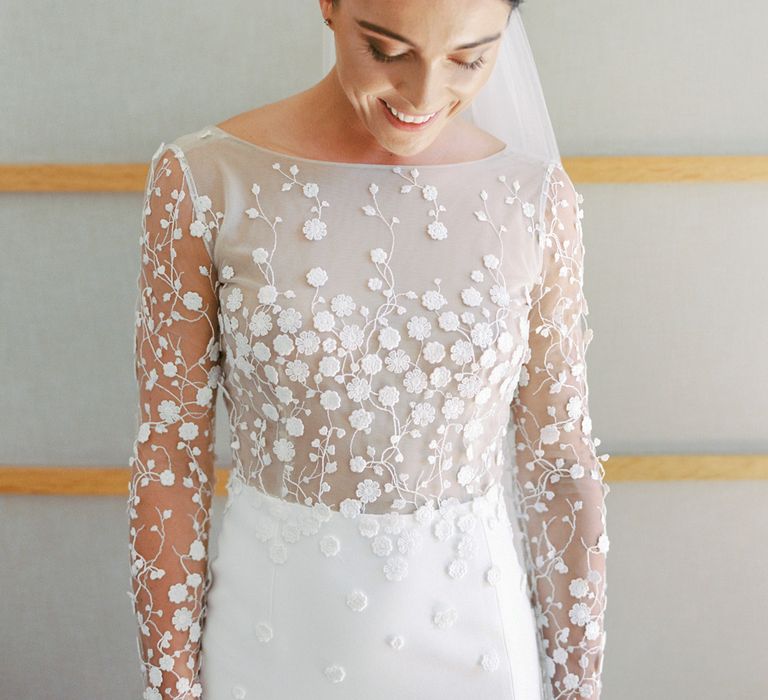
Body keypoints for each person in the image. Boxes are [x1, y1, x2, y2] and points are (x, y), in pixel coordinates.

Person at [127, 0, 610, 698]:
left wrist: (578, 685)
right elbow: (169, 455)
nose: (423, 96)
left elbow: (560, 465)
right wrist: (170, 687)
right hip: (273, 639)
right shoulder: (205, 180)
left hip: (476, 643)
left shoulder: (534, 200)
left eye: (469, 59)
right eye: (388, 52)